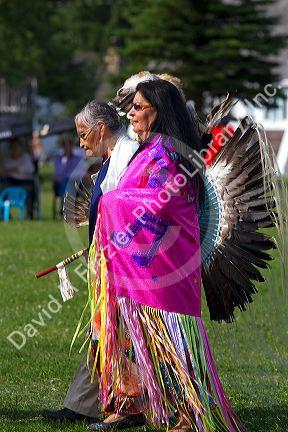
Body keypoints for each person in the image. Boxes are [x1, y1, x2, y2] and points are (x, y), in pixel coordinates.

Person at [86, 80, 248, 431]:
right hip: (149, 270)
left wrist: (109, 203)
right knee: (147, 345)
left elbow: (161, 202)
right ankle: (141, 407)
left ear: (159, 112)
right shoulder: (149, 152)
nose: (131, 112)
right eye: (132, 106)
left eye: (140, 106)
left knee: (173, 348)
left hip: (165, 273)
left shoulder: (167, 155)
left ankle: (190, 415)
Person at [43, 101, 139, 423]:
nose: (81, 142)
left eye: (84, 135)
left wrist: (113, 248)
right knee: (105, 333)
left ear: (101, 129)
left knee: (116, 336)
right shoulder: (113, 158)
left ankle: (128, 407)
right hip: (109, 263)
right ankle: (84, 405)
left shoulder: (128, 157)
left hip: (125, 268)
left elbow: (134, 213)